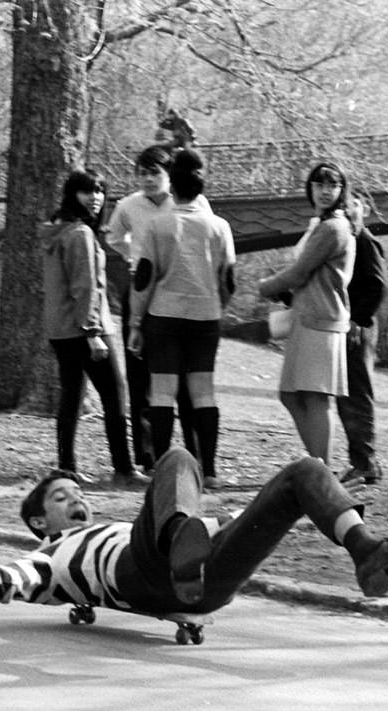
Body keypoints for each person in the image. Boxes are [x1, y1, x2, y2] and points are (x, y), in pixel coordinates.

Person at [0, 447, 388, 612]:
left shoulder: (112, 525)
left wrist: (267, 516)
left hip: (207, 582)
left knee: (303, 471)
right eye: (61, 497)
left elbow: (222, 524)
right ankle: (179, 554)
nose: (77, 499)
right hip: (142, 573)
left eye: (79, 493)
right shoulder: (51, 557)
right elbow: (4, 583)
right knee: (176, 458)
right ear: (38, 522)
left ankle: (369, 554)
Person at [126, 148, 236, 490]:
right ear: (201, 188)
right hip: (205, 318)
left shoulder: (159, 226)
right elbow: (228, 280)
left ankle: (162, 467)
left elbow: (144, 278)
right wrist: (215, 305)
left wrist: (134, 324)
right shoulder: (219, 226)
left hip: (164, 317)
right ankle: (210, 470)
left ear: (172, 186)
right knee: (204, 392)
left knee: (162, 392)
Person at [40, 170, 145, 489]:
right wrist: (93, 334)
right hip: (85, 329)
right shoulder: (80, 235)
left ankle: (66, 465)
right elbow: (85, 287)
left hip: (60, 328)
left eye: (100, 190)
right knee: (115, 394)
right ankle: (124, 468)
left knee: (71, 395)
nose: (96, 197)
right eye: (87, 191)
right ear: (72, 194)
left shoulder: (56, 230)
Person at [104, 144, 203, 473]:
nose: (148, 179)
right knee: (141, 375)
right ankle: (147, 457)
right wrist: (134, 255)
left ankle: (196, 456)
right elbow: (113, 236)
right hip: (143, 290)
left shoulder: (190, 201)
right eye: (142, 173)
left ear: (169, 174)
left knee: (187, 380)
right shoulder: (128, 205)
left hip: (181, 291)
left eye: (155, 173)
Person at [257, 162, 355, 463]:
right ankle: (318, 467)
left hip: (321, 322)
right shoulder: (322, 224)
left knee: (316, 397)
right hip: (310, 319)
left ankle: (322, 472)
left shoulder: (333, 228)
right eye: (319, 184)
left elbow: (299, 273)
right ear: (310, 188)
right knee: (292, 395)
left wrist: (266, 286)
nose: (325, 191)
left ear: (341, 191)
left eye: (332, 185)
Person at [337, 196, 388, 485]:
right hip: (352, 324)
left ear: (364, 209)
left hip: (359, 327)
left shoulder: (365, 241)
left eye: (352, 204)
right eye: (344, 205)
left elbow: (378, 285)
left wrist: (359, 319)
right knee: (349, 394)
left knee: (356, 394)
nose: (347, 210)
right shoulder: (349, 239)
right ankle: (366, 462)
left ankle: (364, 463)